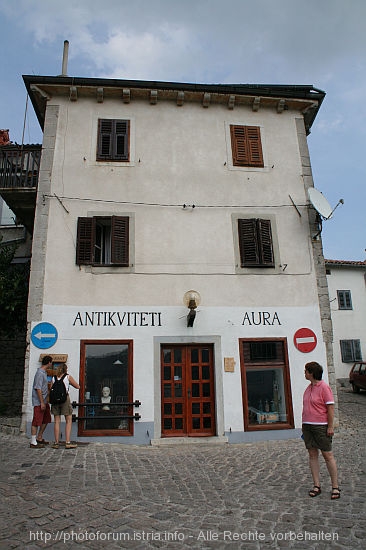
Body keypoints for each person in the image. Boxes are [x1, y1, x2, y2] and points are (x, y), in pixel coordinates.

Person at [302, 361, 341, 500]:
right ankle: (316, 485)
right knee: (312, 454)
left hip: (321, 425)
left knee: (327, 455)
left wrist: (330, 426)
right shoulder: (309, 388)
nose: (304, 373)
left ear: (312, 373)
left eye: (306, 371)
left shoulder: (324, 387)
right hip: (308, 425)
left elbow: (330, 408)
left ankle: (335, 486)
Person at [50, 363, 80, 449]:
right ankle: (67, 442)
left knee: (57, 421)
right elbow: (78, 386)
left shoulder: (53, 378)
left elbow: (51, 389)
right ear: (65, 369)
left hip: (55, 401)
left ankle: (56, 442)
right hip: (65, 400)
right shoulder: (67, 377)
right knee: (68, 420)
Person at [30, 355, 53, 448]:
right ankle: (33, 441)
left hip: (44, 400)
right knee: (36, 420)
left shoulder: (44, 373)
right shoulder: (40, 373)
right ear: (48, 362)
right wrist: (41, 402)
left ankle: (39, 437)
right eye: (51, 362)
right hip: (39, 402)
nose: (51, 364)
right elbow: (38, 388)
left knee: (46, 419)